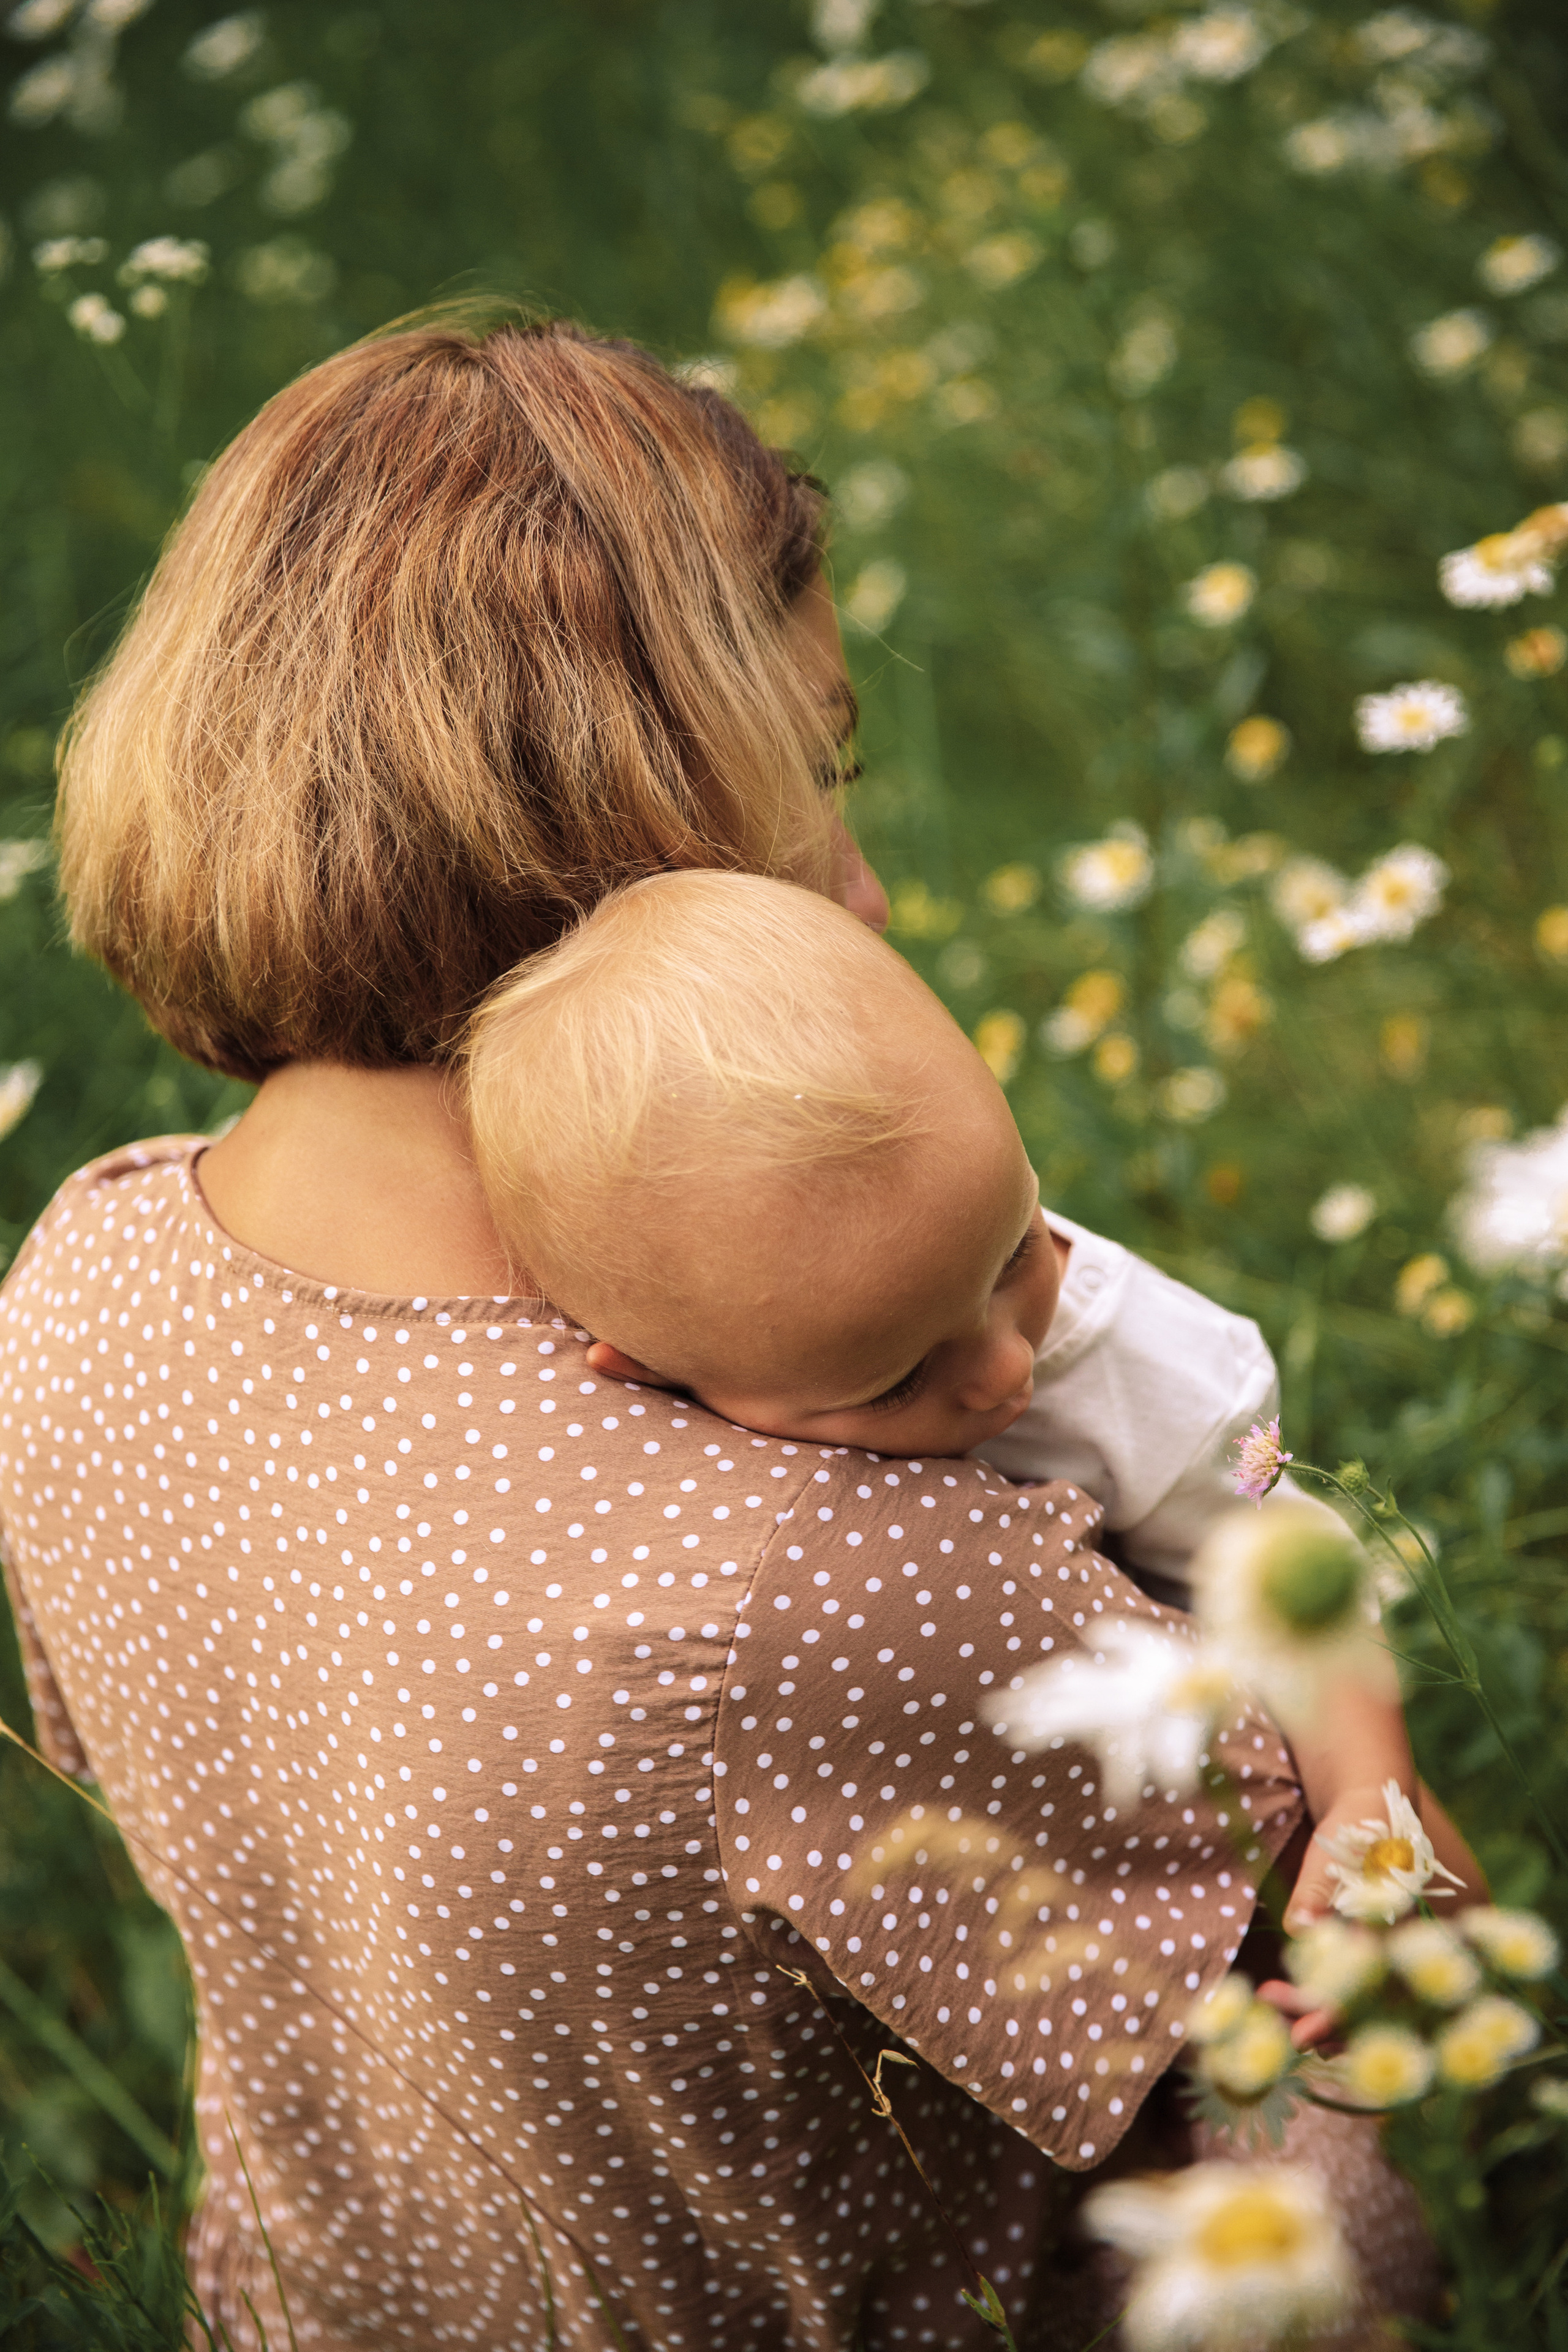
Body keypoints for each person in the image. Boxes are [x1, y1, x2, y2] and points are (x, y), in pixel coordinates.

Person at [0, 312, 1377, 2350]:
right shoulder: (840, 1548)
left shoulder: (82, 1284)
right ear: (631, 847)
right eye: (806, 785)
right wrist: (1385, 1844)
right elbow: (1325, 2065)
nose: (875, 892)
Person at [460, 867, 1469, 1940]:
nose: (1003, 1373)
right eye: (897, 1380)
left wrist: (1367, 1793)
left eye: (1015, 1251)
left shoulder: (1137, 1375)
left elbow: (1292, 1585)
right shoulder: (687, 1361)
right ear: (649, 1377)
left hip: (1204, 1797)